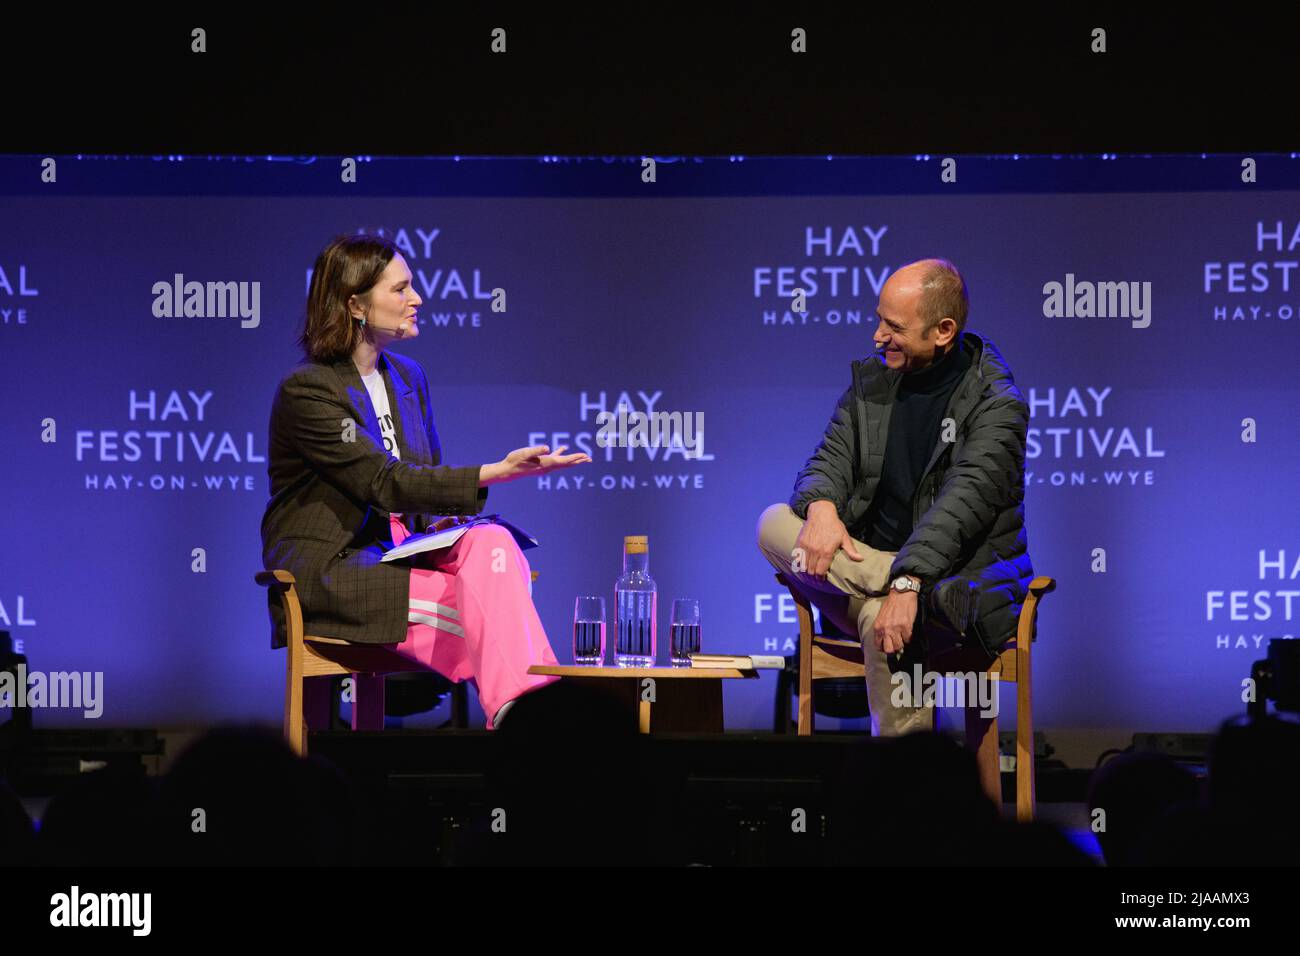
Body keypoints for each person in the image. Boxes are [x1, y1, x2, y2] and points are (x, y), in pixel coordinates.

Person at [261, 234, 590, 729]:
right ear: (355, 304)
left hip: (406, 554)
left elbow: (422, 479)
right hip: (338, 570)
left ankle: (528, 723)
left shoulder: (409, 377)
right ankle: (535, 730)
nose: (416, 299)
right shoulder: (308, 390)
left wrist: (447, 525)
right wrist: (496, 472)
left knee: (494, 543)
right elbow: (382, 481)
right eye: (401, 289)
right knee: (496, 618)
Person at [756, 257, 1034, 736]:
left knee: (880, 618)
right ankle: (887, 584)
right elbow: (828, 460)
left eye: (893, 325)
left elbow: (960, 508)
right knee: (773, 523)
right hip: (898, 586)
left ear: (943, 330)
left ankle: (903, 793)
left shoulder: (996, 406)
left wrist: (912, 583)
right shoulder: (874, 383)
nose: (877, 336)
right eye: (879, 319)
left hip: (955, 588)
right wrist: (822, 508)